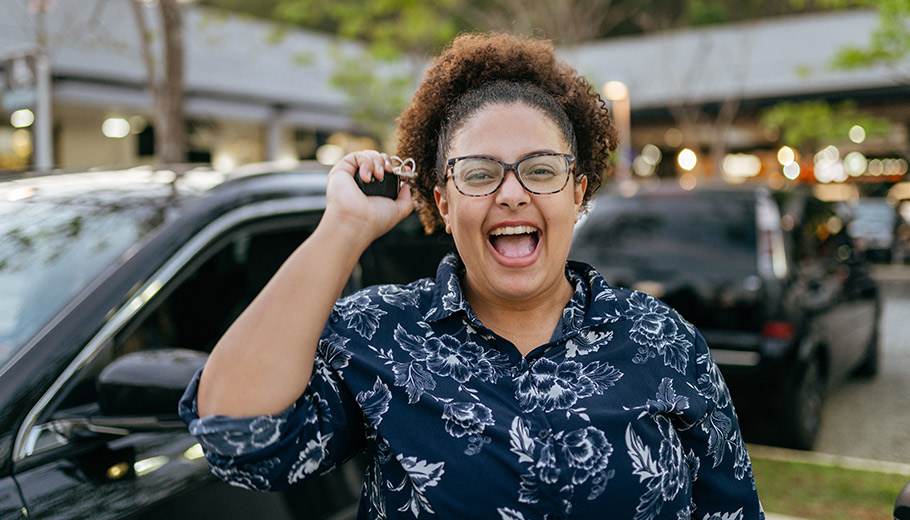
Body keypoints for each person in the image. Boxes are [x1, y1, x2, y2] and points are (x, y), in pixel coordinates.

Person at [180, 32, 765, 519]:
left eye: (540, 170)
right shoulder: (380, 332)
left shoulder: (664, 343)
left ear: (578, 193)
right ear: (443, 200)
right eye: (480, 174)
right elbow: (237, 440)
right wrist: (344, 227)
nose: (512, 193)